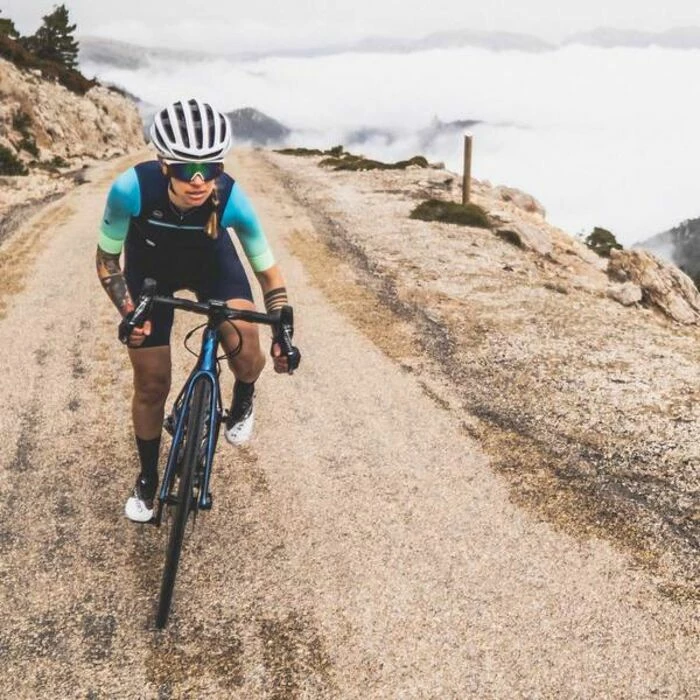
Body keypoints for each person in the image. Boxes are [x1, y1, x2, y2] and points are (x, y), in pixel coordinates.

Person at [95, 98, 297, 523]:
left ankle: (243, 398)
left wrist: (283, 331)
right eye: (187, 170)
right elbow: (108, 261)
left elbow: (268, 272)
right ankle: (148, 478)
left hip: (212, 267)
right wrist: (129, 311)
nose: (200, 181)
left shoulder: (231, 198)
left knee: (248, 352)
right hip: (151, 274)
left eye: (212, 168)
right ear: (164, 165)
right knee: (151, 384)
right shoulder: (130, 190)